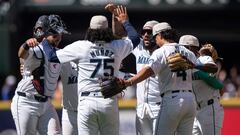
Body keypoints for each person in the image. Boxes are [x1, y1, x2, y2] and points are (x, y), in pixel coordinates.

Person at [42, 5, 140, 135]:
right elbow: (135, 38)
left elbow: (52, 57)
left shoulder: (81, 47)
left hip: (87, 102)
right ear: (107, 30)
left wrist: (44, 40)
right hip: (108, 102)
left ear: (90, 30)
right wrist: (125, 21)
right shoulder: (117, 46)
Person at [124, 22, 197, 135]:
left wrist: (128, 82)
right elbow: (197, 72)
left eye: (155, 37)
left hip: (171, 99)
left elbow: (148, 71)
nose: (155, 40)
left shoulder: (161, 51)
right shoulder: (188, 52)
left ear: (160, 35)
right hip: (190, 100)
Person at [11, 14, 70, 135]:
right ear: (45, 33)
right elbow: (21, 55)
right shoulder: (37, 48)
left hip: (46, 103)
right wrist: (26, 44)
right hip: (26, 101)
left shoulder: (60, 53)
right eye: (55, 33)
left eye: (59, 33)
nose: (58, 36)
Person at [180, 35, 224, 135]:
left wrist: (195, 66)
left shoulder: (203, 59)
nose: (180, 50)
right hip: (195, 111)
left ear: (191, 47)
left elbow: (213, 68)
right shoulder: (182, 65)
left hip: (209, 108)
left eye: (183, 47)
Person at [131, 20, 161, 135]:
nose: (146, 35)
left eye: (149, 32)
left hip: (159, 105)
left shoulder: (164, 52)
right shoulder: (139, 48)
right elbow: (119, 34)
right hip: (141, 107)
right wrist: (117, 18)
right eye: (143, 32)